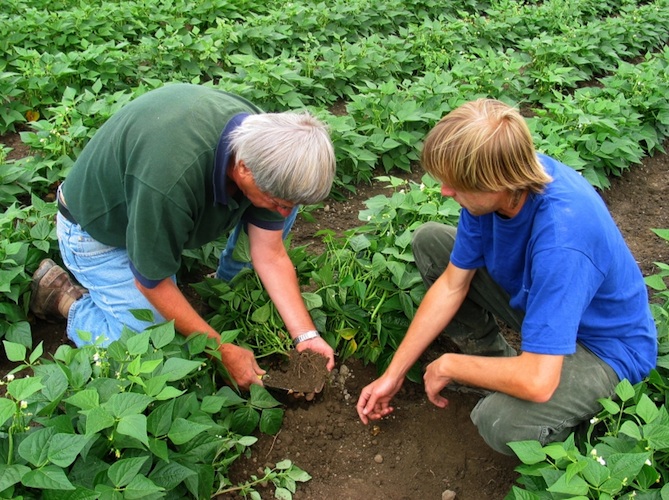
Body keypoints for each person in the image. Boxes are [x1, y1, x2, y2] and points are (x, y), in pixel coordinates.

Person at [356, 98, 657, 455]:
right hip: (544, 306)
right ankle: (501, 367)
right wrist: (393, 374)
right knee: (432, 242)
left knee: (500, 422)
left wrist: (452, 365)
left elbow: (539, 382)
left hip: (603, 349)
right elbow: (452, 284)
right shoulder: (501, 181)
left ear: (495, 182)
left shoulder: (564, 239)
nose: (445, 191)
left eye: (456, 184)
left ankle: (580, 434)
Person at [30, 83, 337, 389]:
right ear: (244, 168)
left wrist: (306, 336)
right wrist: (220, 350)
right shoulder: (170, 179)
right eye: (278, 202)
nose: (285, 212)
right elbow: (151, 282)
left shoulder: (271, 146)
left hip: (151, 212)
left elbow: (269, 253)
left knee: (277, 208)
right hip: (100, 233)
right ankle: (64, 300)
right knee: (151, 347)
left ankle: (221, 291)